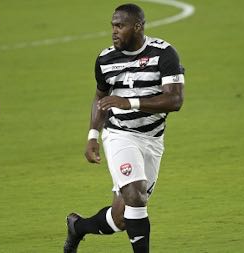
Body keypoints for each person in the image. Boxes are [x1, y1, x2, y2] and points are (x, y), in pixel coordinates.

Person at [64, 3, 185, 253]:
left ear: (138, 26)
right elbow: (99, 98)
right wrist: (92, 136)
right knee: (136, 196)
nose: (114, 31)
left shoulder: (164, 54)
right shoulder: (105, 59)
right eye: (113, 25)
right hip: (120, 134)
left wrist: (128, 102)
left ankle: (77, 227)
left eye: (120, 25)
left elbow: (175, 100)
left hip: (152, 140)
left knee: (121, 218)